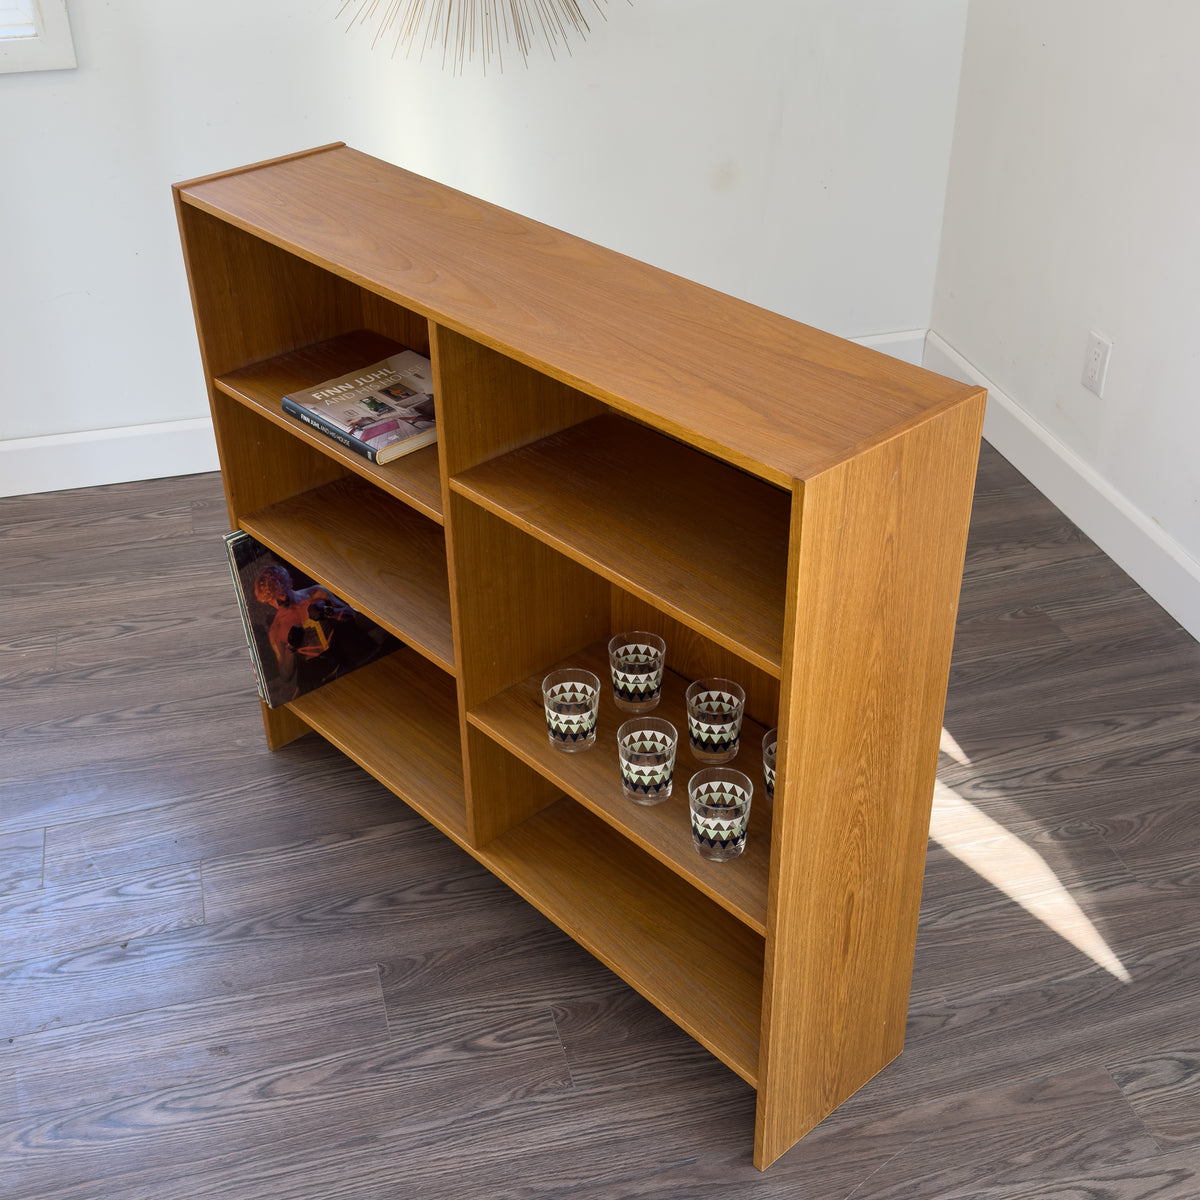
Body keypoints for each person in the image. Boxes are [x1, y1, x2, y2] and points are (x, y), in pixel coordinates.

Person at [252, 563, 356, 702]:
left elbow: (352, 614)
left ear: (289, 583)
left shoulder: (317, 593)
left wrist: (328, 612)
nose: (278, 603)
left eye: (281, 595)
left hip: (344, 659)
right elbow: (285, 675)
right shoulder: (276, 630)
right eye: (272, 601)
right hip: (314, 679)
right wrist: (291, 648)